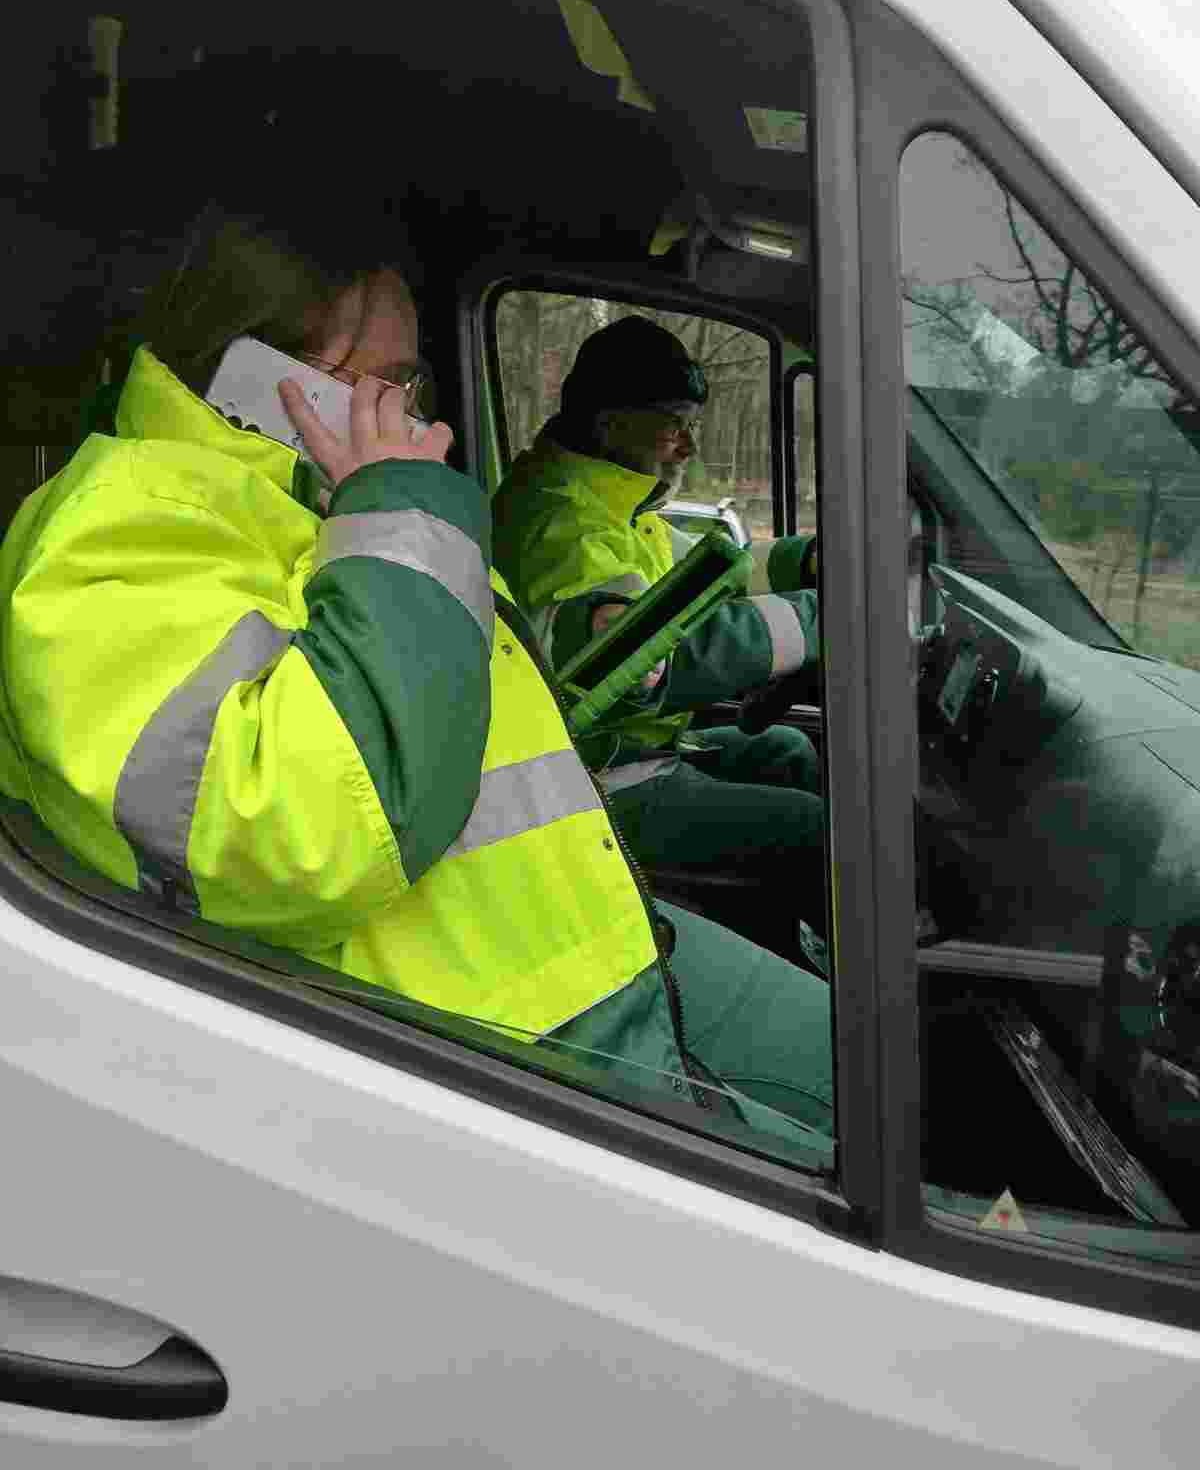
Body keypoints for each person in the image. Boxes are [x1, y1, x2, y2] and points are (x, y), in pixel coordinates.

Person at [0, 168, 833, 1147]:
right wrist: (398, 505)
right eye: (394, 387)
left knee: (898, 1089)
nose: (426, 424)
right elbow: (306, 830)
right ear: (270, 383)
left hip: (584, 936)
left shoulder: (321, 504)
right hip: (491, 1044)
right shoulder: (114, 534)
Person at [492, 315, 827, 957]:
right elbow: (650, 659)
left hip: (630, 752)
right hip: (591, 779)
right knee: (816, 831)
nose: (688, 448)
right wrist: (822, 621)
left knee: (786, 748)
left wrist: (806, 563)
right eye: (675, 425)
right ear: (612, 421)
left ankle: (789, 944)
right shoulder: (560, 521)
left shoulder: (613, 501)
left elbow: (706, 574)